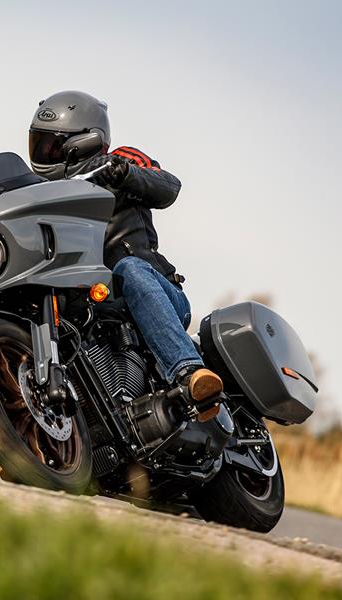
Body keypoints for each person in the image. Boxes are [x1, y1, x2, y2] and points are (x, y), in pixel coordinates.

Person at [27, 90, 222, 419]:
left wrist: (123, 172)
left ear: (85, 142)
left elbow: (167, 187)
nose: (46, 153)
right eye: (41, 143)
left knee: (128, 268)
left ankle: (191, 373)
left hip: (155, 289)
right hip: (93, 299)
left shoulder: (121, 158)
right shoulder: (40, 193)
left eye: (55, 145)